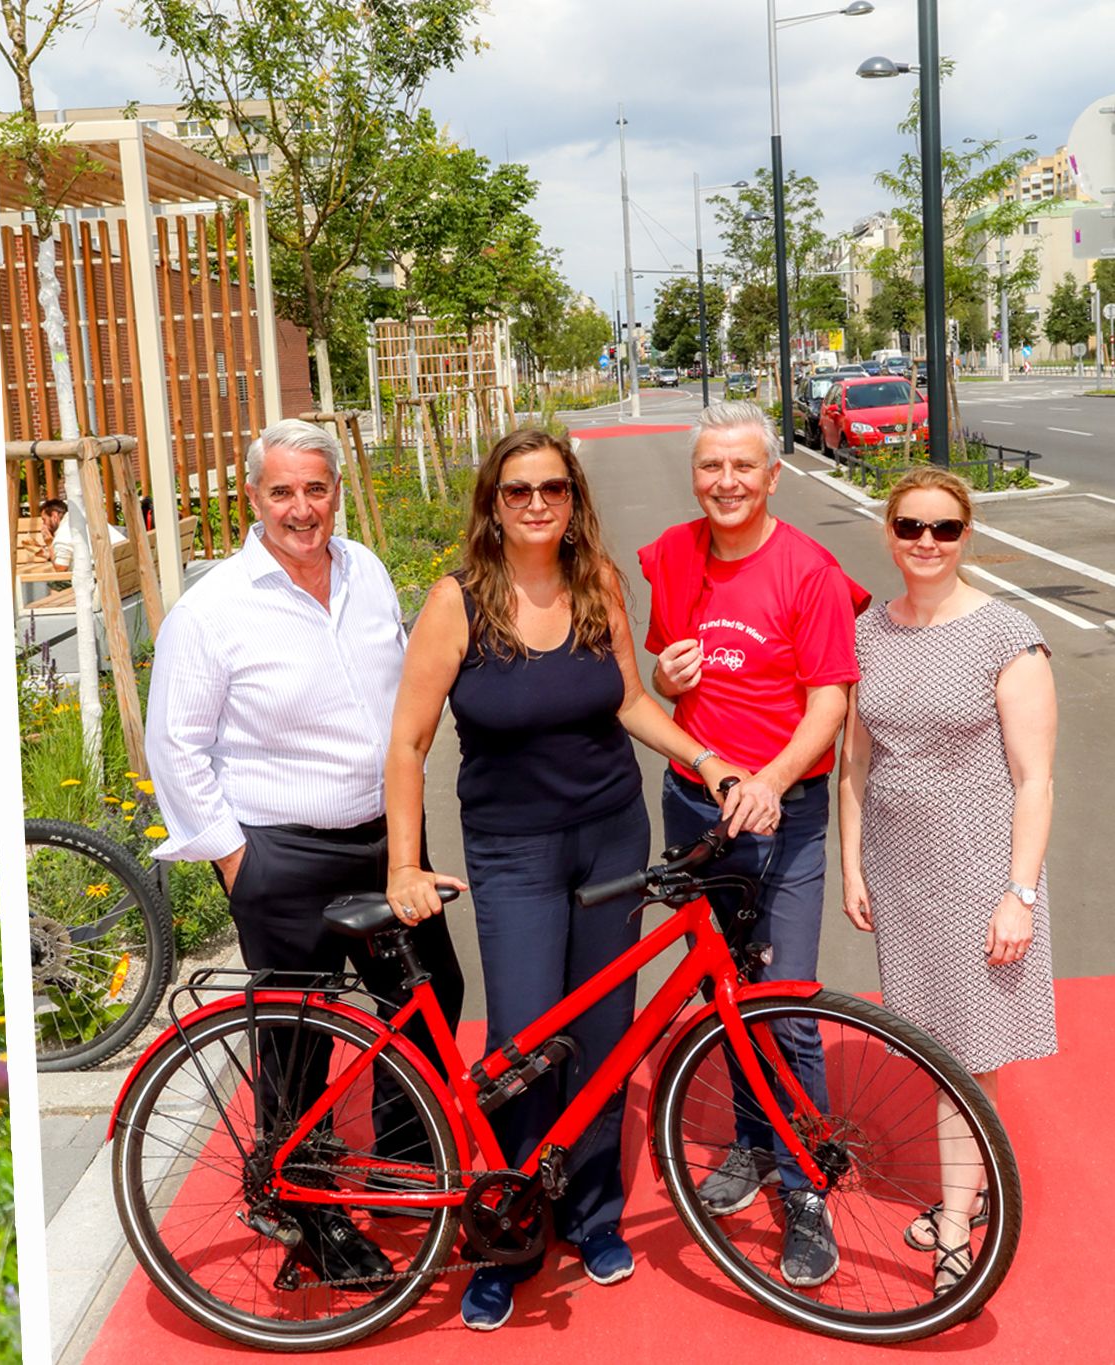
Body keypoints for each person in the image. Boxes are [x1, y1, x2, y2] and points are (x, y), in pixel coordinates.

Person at [385, 429, 762, 1329]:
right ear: (491, 501)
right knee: (519, 1042)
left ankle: (590, 1213)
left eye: (551, 487)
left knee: (602, 1033)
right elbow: (406, 742)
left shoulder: (596, 581)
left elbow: (629, 697)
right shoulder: (457, 602)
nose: (535, 504)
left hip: (608, 838)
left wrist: (707, 760)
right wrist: (404, 859)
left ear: (572, 496)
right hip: (512, 849)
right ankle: (509, 1231)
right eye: (516, 490)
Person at [146, 417, 468, 1290]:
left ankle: (408, 1176)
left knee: (430, 997)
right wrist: (232, 860)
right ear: (252, 498)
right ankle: (309, 1214)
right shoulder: (211, 609)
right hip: (279, 854)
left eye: (315, 488)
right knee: (297, 1040)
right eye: (281, 491)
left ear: (334, 491)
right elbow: (173, 745)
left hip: (385, 841)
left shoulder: (364, 570)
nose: (301, 508)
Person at [640, 402, 868, 1289]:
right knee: (723, 985)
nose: (725, 483)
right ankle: (747, 1139)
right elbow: (665, 663)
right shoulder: (668, 553)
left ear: (773, 476)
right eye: (709, 467)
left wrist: (770, 780)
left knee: (785, 999)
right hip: (696, 805)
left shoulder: (805, 570)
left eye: (742, 467)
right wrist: (663, 675)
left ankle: (805, 1179)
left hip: (787, 812)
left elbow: (828, 703)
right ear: (693, 474)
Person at [837, 467, 1056, 1296]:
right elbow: (854, 762)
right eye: (909, 527)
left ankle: (957, 1227)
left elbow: (1034, 779)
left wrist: (1019, 892)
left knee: (969, 1055)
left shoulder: (1007, 634)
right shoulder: (868, 631)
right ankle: (964, 1191)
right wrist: (854, 862)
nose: (924, 542)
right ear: (888, 532)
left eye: (943, 529)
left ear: (967, 536)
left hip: (977, 868)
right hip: (900, 868)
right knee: (930, 1048)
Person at [36, 496, 126, 570]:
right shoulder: (85, 518)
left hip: (102, 580)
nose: (44, 525)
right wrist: (49, 555)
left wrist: (50, 543)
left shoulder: (63, 533)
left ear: (54, 516)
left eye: (44, 520)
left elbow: (60, 568)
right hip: (122, 569)